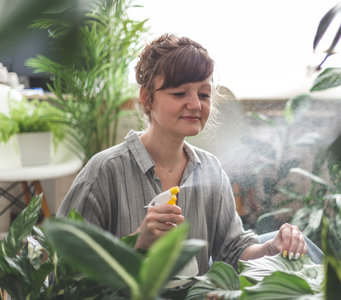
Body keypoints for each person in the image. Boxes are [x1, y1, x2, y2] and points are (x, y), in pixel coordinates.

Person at [57, 33, 307, 275]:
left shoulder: (210, 169)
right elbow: (66, 265)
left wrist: (271, 247)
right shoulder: (105, 170)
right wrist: (137, 243)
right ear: (147, 99)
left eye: (204, 94)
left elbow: (233, 250)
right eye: (179, 93)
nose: (196, 104)